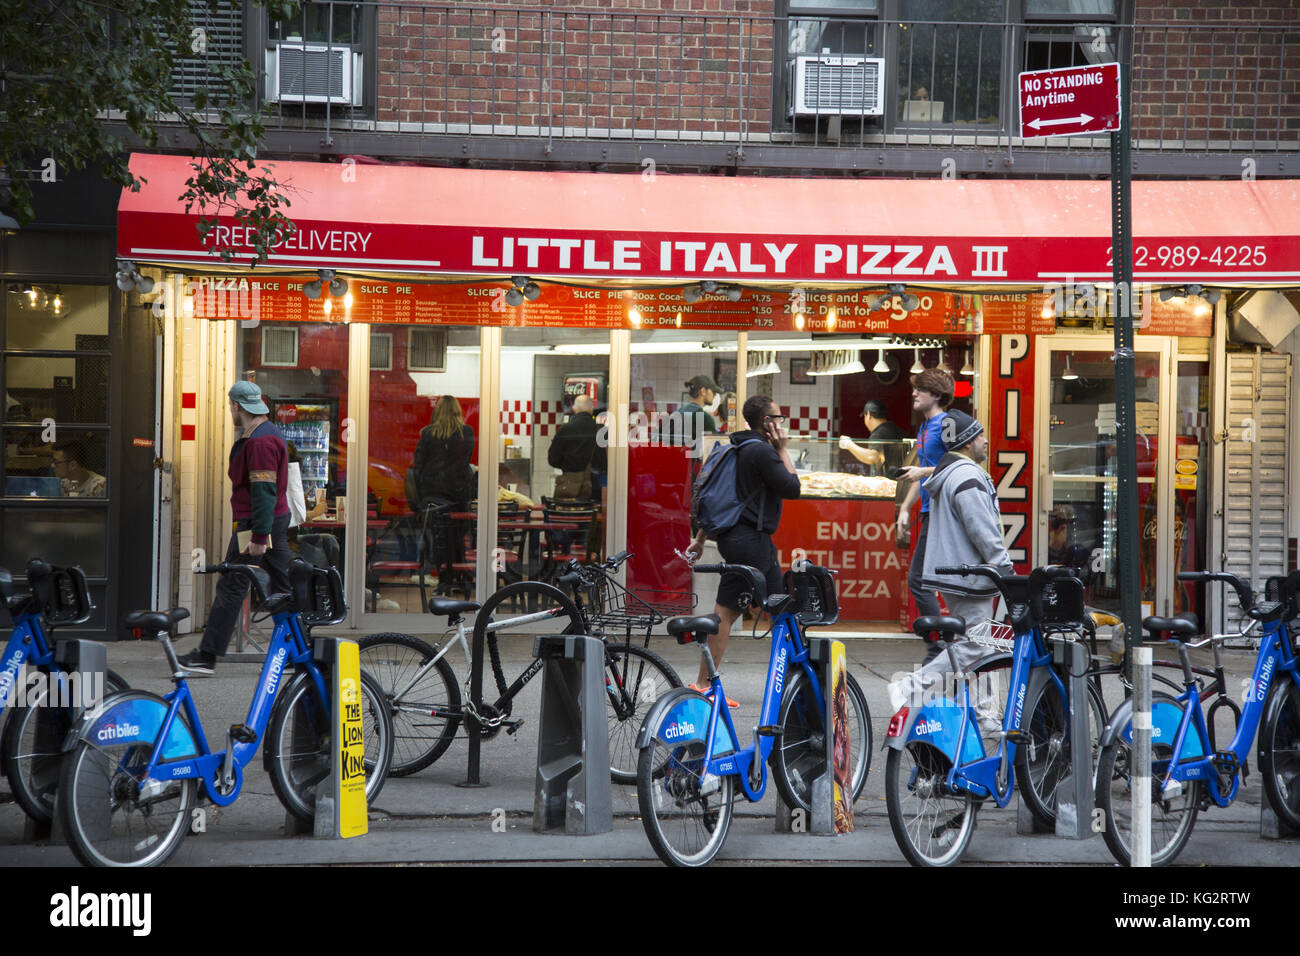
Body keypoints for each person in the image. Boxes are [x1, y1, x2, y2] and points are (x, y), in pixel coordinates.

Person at [684, 395, 800, 705]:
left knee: (779, 609)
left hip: (742, 541)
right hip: (750, 544)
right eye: (778, 417)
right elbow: (793, 487)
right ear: (766, 422)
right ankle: (704, 684)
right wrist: (783, 448)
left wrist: (700, 537)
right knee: (729, 612)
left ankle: (791, 683)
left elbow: (722, 498)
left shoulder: (735, 447)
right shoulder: (763, 452)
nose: (781, 423)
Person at [178, 381, 290, 674]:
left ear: (236, 406)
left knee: (232, 583)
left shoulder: (259, 441)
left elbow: (263, 490)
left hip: (256, 524)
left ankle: (207, 656)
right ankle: (297, 649)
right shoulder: (267, 432)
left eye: (231, 406)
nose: (231, 411)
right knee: (283, 586)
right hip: (270, 520)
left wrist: (258, 535)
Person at [921, 409, 1013, 628]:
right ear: (967, 443)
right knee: (975, 648)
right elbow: (980, 527)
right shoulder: (967, 476)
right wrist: (1002, 563)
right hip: (968, 575)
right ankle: (929, 666)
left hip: (958, 573)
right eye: (980, 435)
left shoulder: (952, 472)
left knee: (972, 647)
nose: (986, 440)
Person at [895, 367, 953, 656]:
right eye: (915, 388)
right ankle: (944, 641)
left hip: (946, 513)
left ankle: (940, 644)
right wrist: (906, 508)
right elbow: (921, 476)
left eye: (920, 389)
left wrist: (922, 470)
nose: (914, 393)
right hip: (931, 511)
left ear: (937, 395)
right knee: (927, 579)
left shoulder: (946, 424)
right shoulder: (923, 428)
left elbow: (959, 465)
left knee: (919, 579)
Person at [411, 395, 476, 512]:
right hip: (458, 493)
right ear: (457, 411)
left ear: (438, 411)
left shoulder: (427, 432)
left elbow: (418, 464)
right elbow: (465, 460)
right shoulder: (467, 432)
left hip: (431, 491)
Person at [548, 394, 604, 500]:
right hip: (594, 488)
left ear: (574, 408)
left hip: (568, 487)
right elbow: (605, 461)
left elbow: (553, 459)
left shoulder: (565, 429)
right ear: (592, 409)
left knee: (568, 515)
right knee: (593, 515)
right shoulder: (601, 430)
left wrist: (568, 466)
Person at [839, 399, 906, 475]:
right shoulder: (896, 430)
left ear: (868, 415)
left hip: (886, 482)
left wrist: (849, 444)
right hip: (900, 480)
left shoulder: (878, 433)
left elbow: (872, 457)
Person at [657, 374, 719, 451]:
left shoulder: (675, 414)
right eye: (713, 391)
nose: (715, 395)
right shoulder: (705, 419)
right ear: (703, 391)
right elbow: (713, 451)